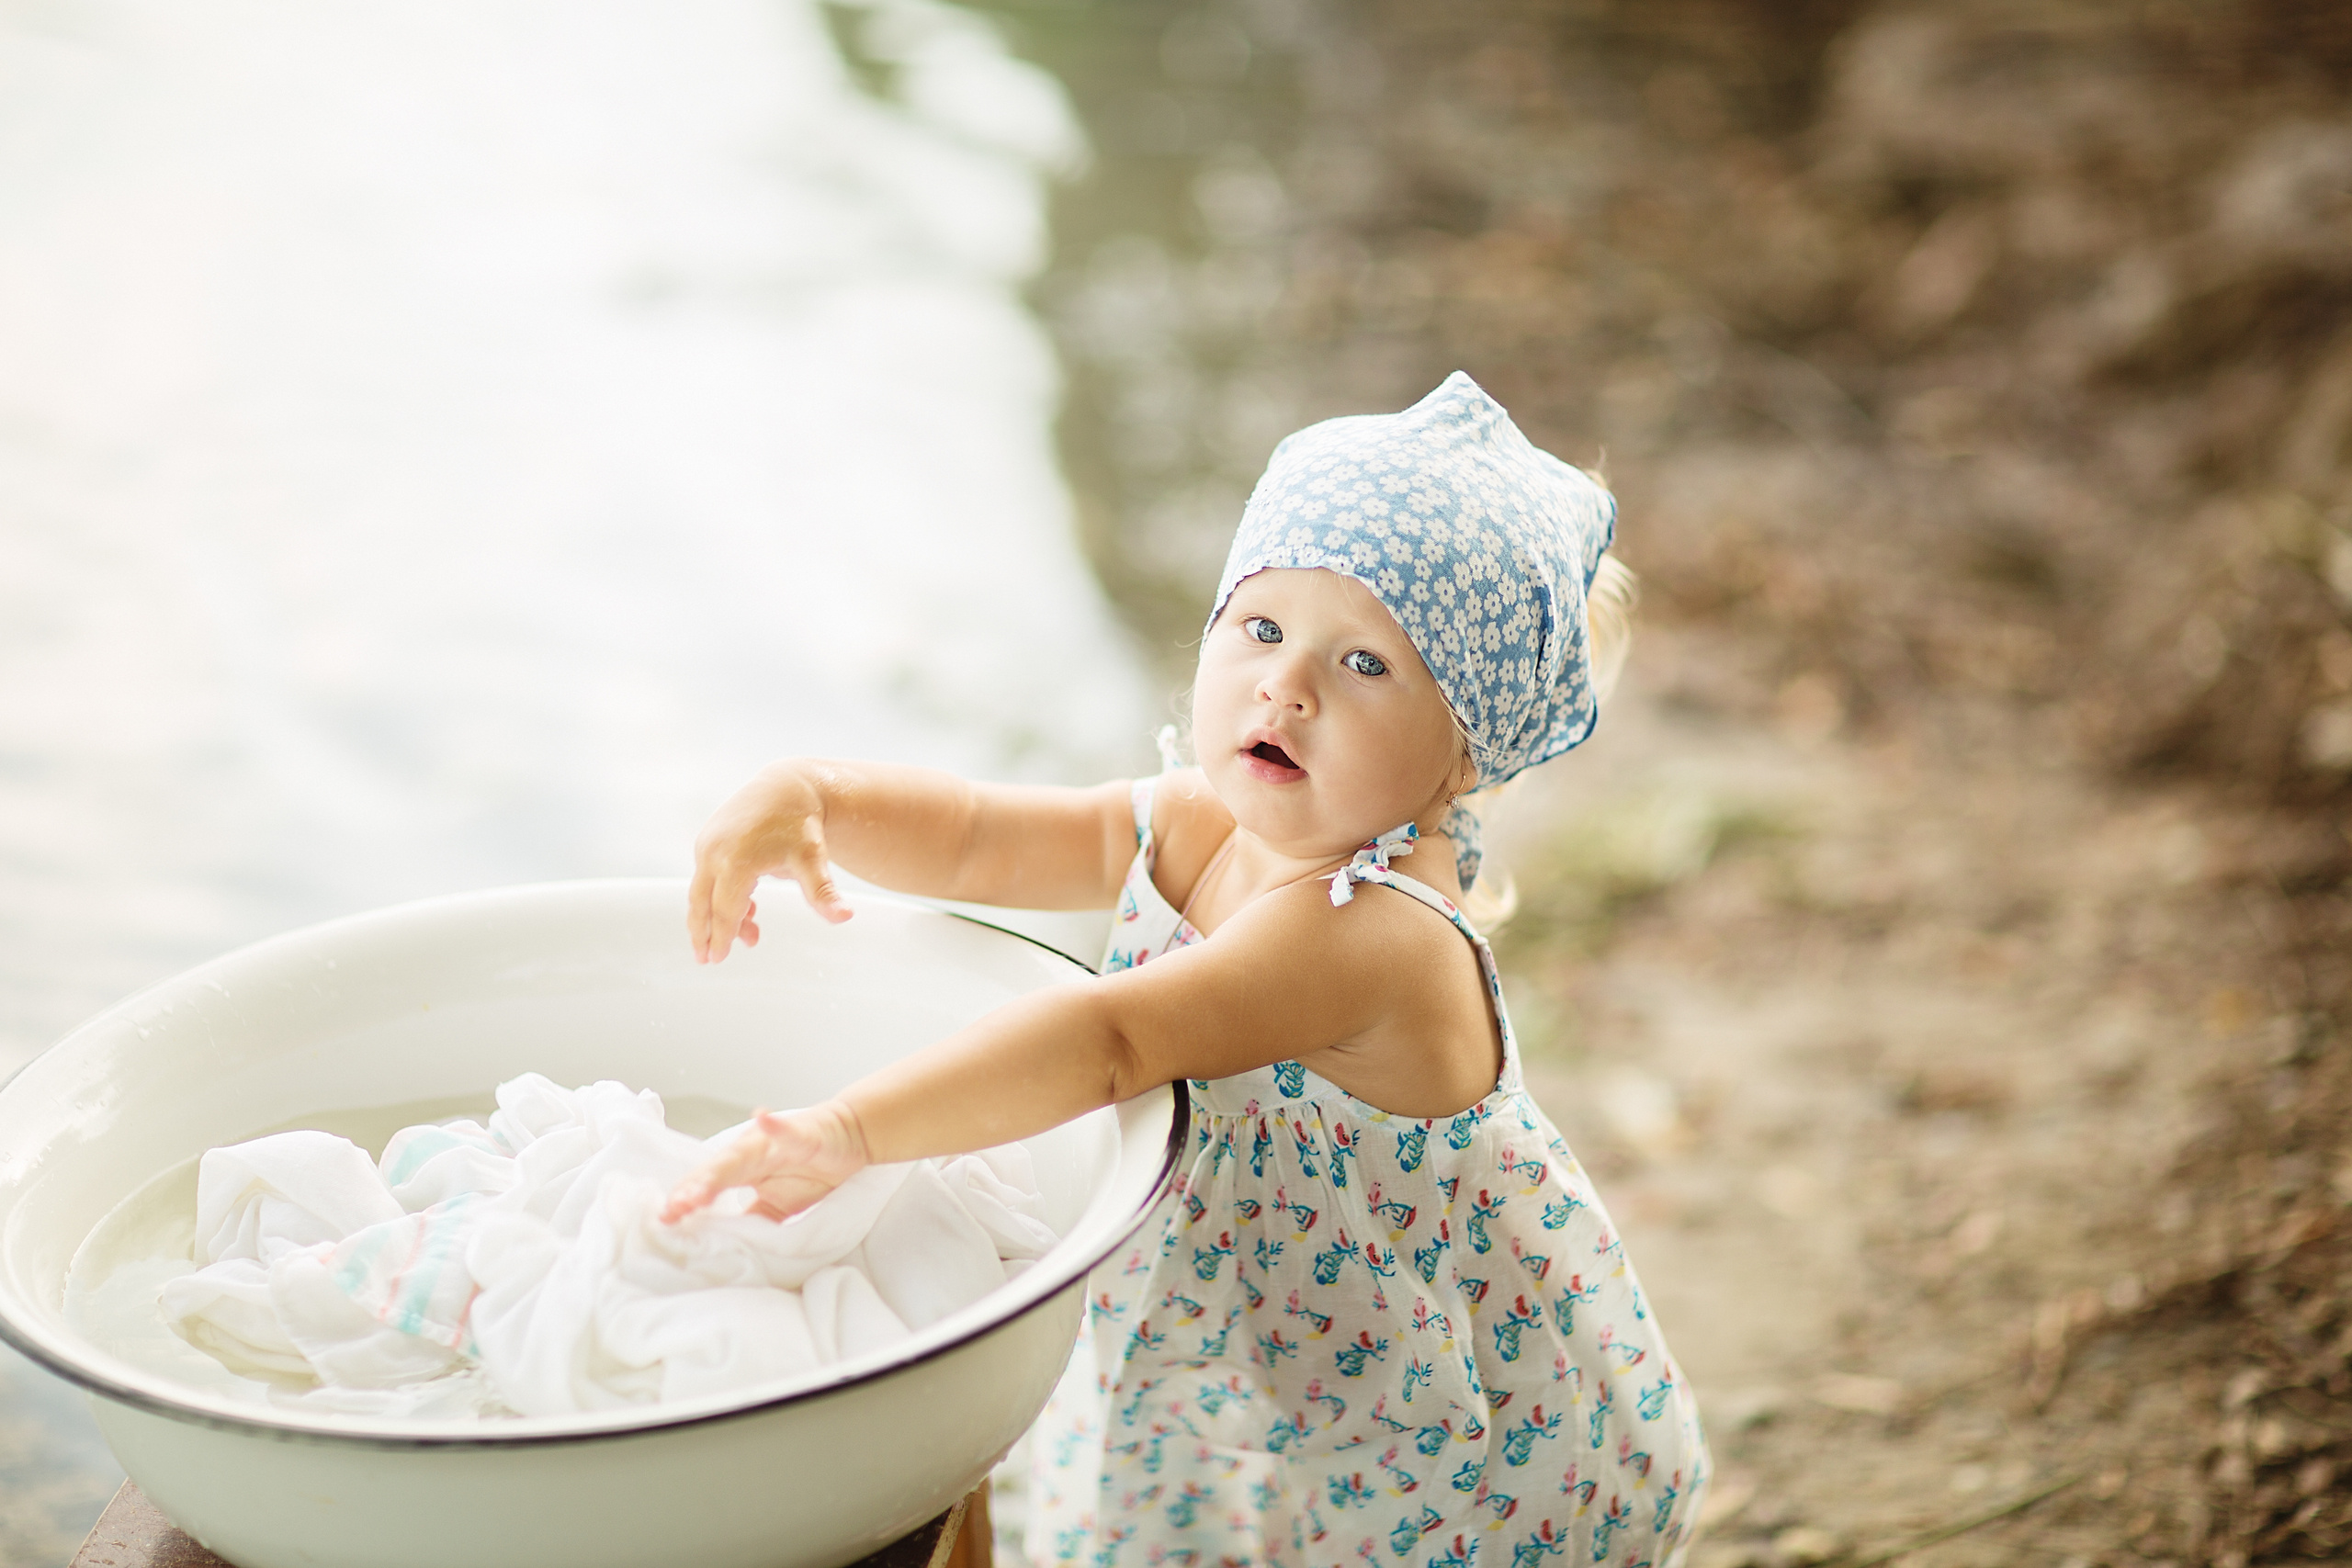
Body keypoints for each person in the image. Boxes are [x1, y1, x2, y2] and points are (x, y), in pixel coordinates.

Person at [664, 373, 1708, 1568]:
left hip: (1442, 1430)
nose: (1287, 685)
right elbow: (974, 834)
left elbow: (1111, 1040)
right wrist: (813, 795)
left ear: (1468, 747)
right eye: (1261, 628)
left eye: (1365, 663)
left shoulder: (1370, 932)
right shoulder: (1208, 821)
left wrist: (848, 1130)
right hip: (1266, 1359)